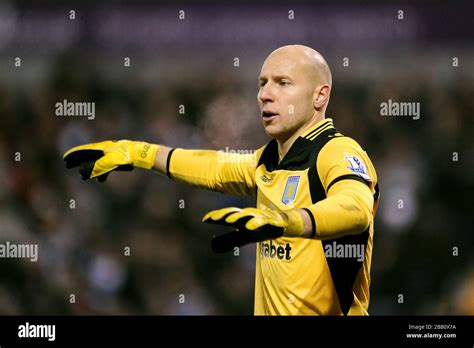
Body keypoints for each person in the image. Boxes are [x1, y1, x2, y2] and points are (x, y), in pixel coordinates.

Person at [63, 44, 379, 315]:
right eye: (263, 83)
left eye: (283, 83)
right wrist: (137, 152)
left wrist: (289, 222)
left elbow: (355, 208)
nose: (265, 94)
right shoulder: (268, 161)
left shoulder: (336, 151)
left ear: (319, 96)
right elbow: (213, 166)